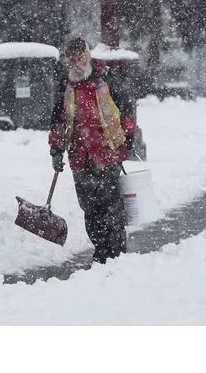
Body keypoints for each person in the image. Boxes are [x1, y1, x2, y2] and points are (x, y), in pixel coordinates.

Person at [48, 37, 138, 264]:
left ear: (87, 57)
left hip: (107, 153)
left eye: (79, 59)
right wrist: (56, 150)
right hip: (80, 156)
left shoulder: (105, 79)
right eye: (71, 60)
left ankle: (116, 253)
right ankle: (100, 251)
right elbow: (58, 120)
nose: (75, 64)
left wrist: (127, 139)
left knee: (111, 206)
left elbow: (126, 109)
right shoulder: (64, 85)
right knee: (90, 207)